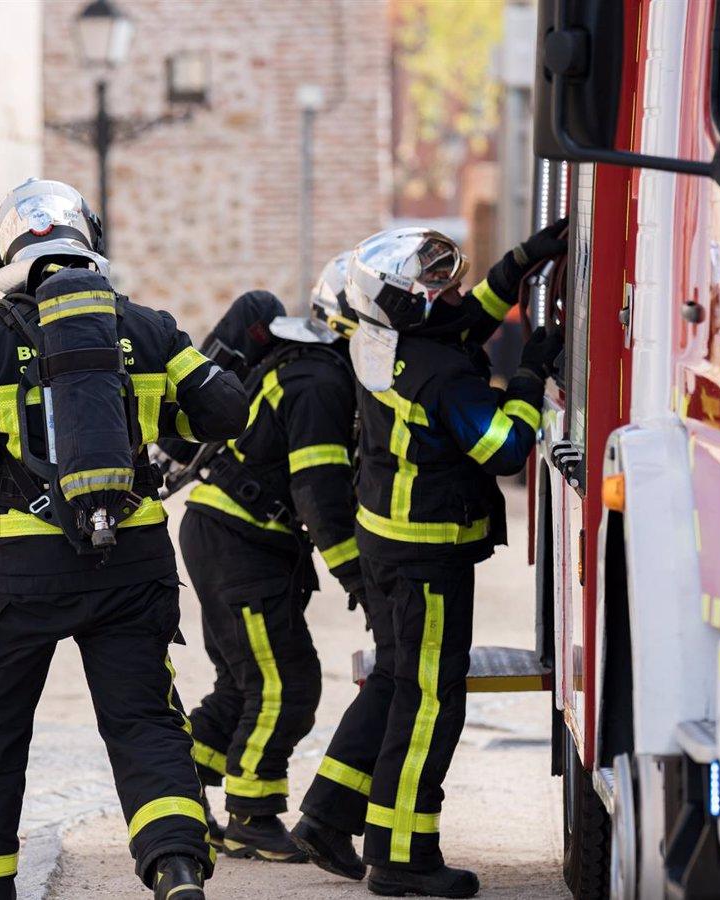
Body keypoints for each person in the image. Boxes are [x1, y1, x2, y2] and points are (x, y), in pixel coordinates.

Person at [0, 178, 249, 900]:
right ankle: (176, 867)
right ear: (89, 239)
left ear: (5, 253)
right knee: (144, 722)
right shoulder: (150, 329)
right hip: (131, 563)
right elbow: (224, 412)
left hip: (19, 572)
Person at [290, 221, 566, 898]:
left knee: (395, 682)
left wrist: (523, 262)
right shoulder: (441, 373)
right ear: (412, 302)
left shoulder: (384, 342)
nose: (456, 291)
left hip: (389, 542)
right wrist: (529, 373)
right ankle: (402, 854)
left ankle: (328, 816)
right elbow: (503, 447)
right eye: (439, 285)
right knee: (428, 702)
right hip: (427, 557)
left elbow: (468, 318)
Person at [160, 273, 363, 864]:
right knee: (285, 684)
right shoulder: (320, 383)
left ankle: (180, 791)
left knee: (243, 684)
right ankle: (251, 815)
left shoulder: (305, 366)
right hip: (237, 544)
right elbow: (320, 493)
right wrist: (359, 579)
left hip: (229, 537)